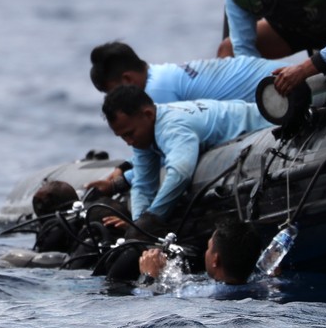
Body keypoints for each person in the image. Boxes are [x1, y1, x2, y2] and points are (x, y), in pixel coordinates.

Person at [101, 84, 272, 238]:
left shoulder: (173, 126)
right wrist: (138, 225)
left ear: (148, 114)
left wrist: (153, 217)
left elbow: (180, 173)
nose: (128, 142)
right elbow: (143, 184)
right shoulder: (145, 134)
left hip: (265, 127)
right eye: (122, 136)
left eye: (130, 134)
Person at [89, 41, 278, 104]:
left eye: (112, 93)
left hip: (275, 89)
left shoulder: (156, 94)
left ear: (127, 79)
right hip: (275, 72)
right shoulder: (163, 73)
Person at [139, 218, 262, 285]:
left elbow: (148, 305)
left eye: (208, 248)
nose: (206, 253)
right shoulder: (261, 285)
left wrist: (150, 276)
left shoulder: (197, 295)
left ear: (215, 260)